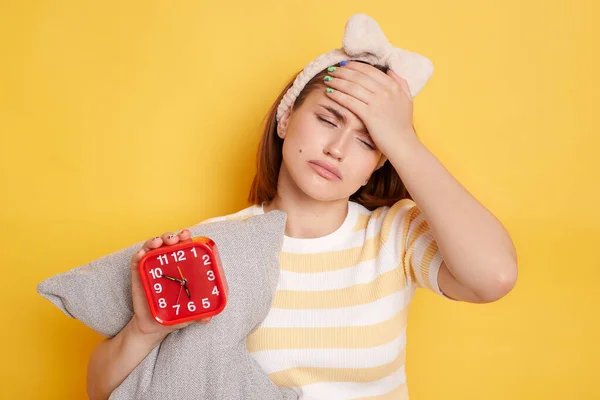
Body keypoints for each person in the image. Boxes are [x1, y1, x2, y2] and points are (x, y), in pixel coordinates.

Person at [87, 13, 518, 400]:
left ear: (377, 164)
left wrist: (402, 138)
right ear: (286, 118)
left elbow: (494, 277)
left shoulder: (396, 236)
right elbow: (102, 390)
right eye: (328, 119)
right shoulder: (219, 246)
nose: (337, 148)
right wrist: (147, 328)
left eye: (368, 140)